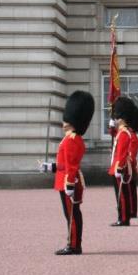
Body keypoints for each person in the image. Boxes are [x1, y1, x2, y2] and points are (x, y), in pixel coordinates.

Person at [40, 91, 94, 255]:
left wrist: (69, 184)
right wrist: (50, 167)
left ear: (73, 120)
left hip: (69, 182)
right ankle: (73, 243)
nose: (63, 122)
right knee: (71, 214)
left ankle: (74, 245)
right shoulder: (71, 138)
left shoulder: (72, 140)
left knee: (71, 214)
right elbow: (64, 164)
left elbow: (71, 166)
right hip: (67, 180)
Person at [109, 96, 138, 227]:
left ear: (121, 118)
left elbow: (122, 154)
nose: (115, 119)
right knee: (122, 194)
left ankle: (124, 218)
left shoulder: (124, 133)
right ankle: (123, 216)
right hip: (119, 166)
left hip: (121, 167)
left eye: (117, 116)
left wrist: (119, 167)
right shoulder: (121, 132)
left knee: (122, 194)